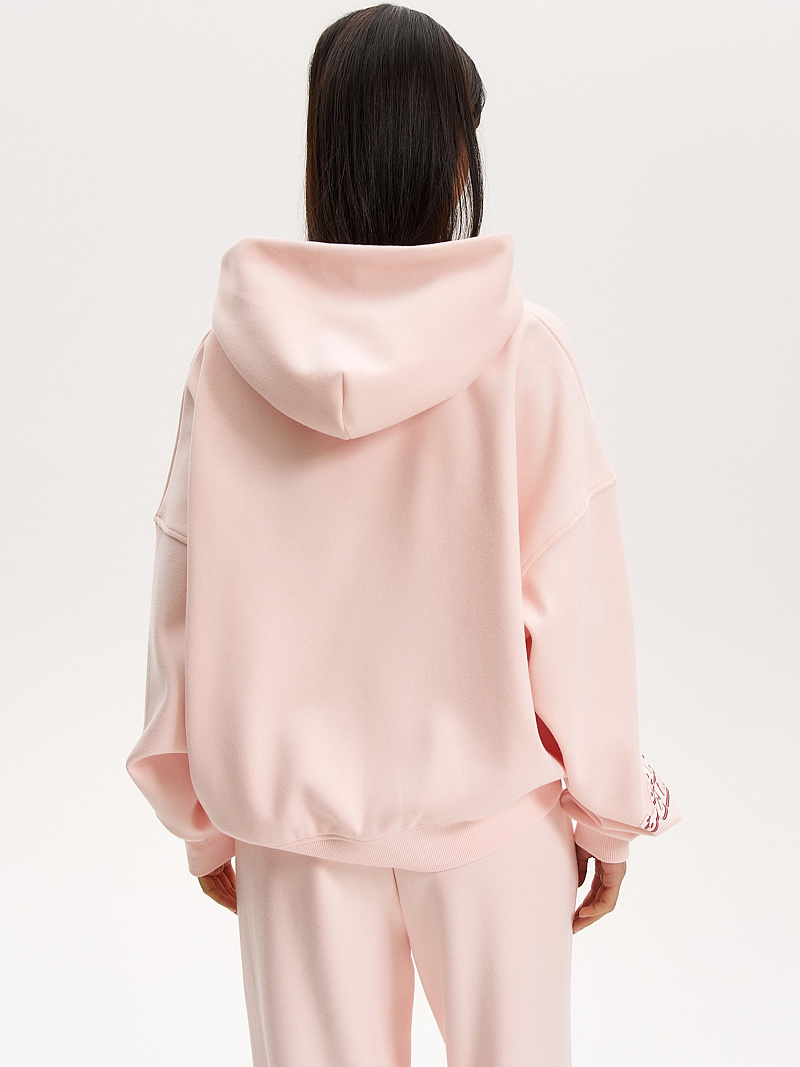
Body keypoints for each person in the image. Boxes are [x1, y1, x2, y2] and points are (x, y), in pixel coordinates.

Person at [125, 5, 681, 1064]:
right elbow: (574, 611)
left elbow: (183, 600)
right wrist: (608, 818)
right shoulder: (524, 351)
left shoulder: (229, 359)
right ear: (454, 154)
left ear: (323, 148)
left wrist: (198, 820)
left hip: (294, 838)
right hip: (493, 828)